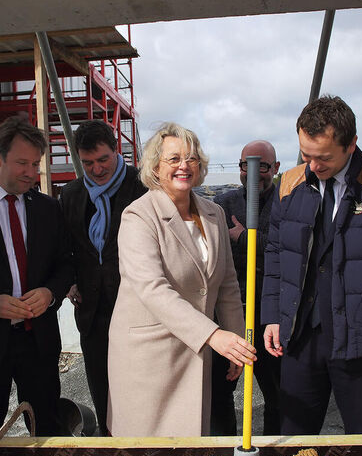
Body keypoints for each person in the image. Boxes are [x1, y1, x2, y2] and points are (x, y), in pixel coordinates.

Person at [262, 96, 362, 435]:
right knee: (293, 443)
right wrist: (273, 316)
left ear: (351, 145)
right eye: (306, 155)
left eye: (323, 157)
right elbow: (275, 257)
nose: (313, 165)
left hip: (360, 343)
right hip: (300, 338)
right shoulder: (287, 186)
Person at [106, 122, 255, 437]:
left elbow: (227, 285)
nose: (184, 166)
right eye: (173, 159)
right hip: (151, 359)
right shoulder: (138, 217)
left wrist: (236, 341)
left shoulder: (213, 214)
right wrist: (215, 336)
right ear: (155, 167)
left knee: (201, 448)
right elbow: (152, 289)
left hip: (200, 352)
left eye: (191, 159)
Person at [0, 116, 73, 436]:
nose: (30, 172)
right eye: (22, 163)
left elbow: (66, 264)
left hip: (37, 339)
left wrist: (50, 293)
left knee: (47, 426)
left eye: (35, 164)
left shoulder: (48, 208)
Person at [59, 120, 147, 436]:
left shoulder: (144, 187)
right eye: (88, 163)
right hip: (92, 309)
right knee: (100, 382)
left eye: (103, 160)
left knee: (139, 382)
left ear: (116, 150)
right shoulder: (70, 195)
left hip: (138, 307)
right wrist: (69, 281)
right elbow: (66, 247)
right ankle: (110, 443)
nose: (96, 170)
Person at [211, 140, 283, 435]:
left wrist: (243, 238)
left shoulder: (287, 203)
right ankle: (222, 451)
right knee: (220, 389)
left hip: (271, 316)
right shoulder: (224, 205)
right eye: (245, 165)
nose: (253, 173)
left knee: (277, 392)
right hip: (230, 313)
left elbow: (286, 253)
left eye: (262, 166)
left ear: (276, 168)